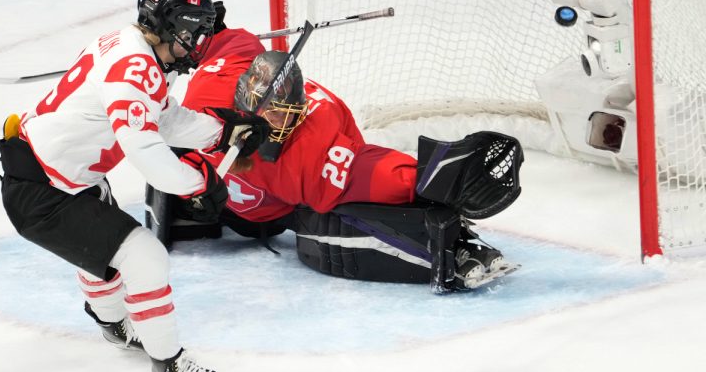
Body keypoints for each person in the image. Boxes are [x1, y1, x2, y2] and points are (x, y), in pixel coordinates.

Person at [0, 0, 267, 372]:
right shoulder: (134, 68)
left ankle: (114, 323)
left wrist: (222, 131)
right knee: (145, 257)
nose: (201, 44)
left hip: (59, 175)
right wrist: (200, 183)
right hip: (43, 192)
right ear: (178, 29)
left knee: (104, 253)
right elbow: (146, 151)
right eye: (197, 33)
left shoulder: (132, 47)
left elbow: (164, 117)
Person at [151, 27, 523, 292]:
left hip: (266, 206)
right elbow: (233, 44)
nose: (272, 122)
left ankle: (441, 220)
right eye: (265, 111)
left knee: (335, 203)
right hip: (243, 210)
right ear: (244, 96)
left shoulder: (300, 148)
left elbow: (368, 170)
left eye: (282, 113)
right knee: (331, 205)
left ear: (298, 108)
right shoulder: (219, 92)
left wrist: (436, 179)